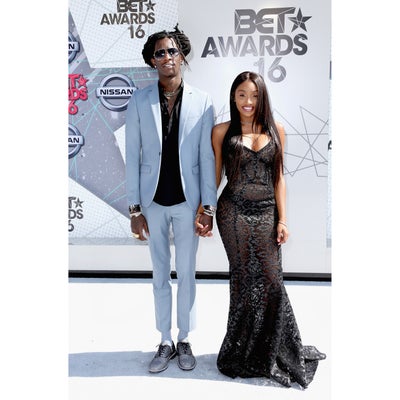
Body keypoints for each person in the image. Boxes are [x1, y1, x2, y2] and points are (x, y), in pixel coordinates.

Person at [211, 71, 325, 388]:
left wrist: (283, 219)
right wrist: (204, 211)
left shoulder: (277, 131)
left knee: (272, 281)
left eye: (254, 95)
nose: (248, 101)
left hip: (266, 213)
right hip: (232, 213)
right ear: (233, 98)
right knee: (243, 280)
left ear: (262, 98)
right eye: (241, 95)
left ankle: (272, 349)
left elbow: (279, 178)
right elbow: (215, 176)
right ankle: (241, 350)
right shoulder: (221, 131)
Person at [125, 25, 217, 374]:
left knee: (187, 273)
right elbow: (132, 157)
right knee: (160, 273)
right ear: (153, 60)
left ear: (182, 56)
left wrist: (208, 207)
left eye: (172, 51)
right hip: (152, 203)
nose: (167, 57)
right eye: (160, 53)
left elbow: (207, 159)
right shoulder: (139, 101)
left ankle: (185, 337)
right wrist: (134, 209)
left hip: (188, 203)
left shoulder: (203, 101)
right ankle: (165, 339)